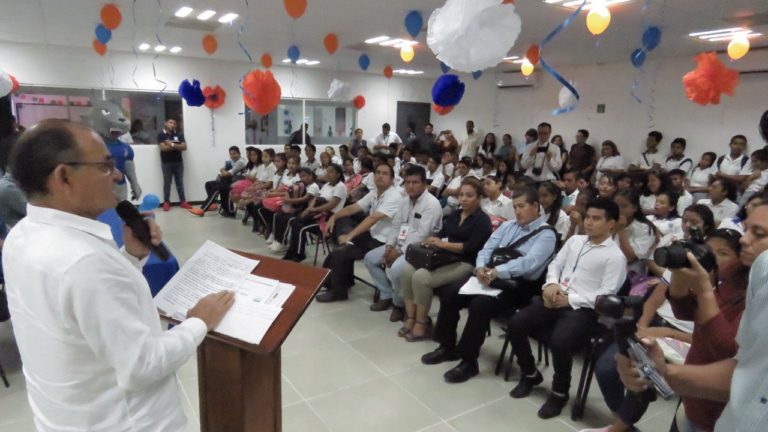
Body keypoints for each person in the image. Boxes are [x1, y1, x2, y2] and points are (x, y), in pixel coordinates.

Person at [4, 119, 235, 431]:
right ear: (63, 177)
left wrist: (131, 256)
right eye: (104, 166)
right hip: (122, 421)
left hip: (69, 415)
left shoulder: (21, 236)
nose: (116, 175)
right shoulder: (84, 262)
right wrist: (198, 321)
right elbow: (142, 364)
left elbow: (81, 313)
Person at [616, 204, 768, 432]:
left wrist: (705, 291)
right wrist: (679, 274)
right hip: (693, 392)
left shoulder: (759, 286)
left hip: (725, 409)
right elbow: (687, 312)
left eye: (759, 234)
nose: (744, 240)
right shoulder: (737, 269)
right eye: (746, 230)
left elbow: (732, 353)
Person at [588, 228, 747, 432]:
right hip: (666, 340)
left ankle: (619, 427)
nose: (713, 258)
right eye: (708, 250)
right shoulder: (706, 276)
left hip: (687, 346)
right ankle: (622, 419)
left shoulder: (744, 291)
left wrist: (669, 335)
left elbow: (723, 346)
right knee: (609, 367)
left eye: (723, 253)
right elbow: (677, 308)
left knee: (644, 375)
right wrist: (643, 327)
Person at [507, 197, 627, 419]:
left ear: (611, 223)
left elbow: (605, 295)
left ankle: (559, 392)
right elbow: (555, 264)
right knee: (515, 324)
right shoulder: (575, 241)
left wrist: (571, 299)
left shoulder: (615, 257)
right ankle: (530, 373)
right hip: (556, 297)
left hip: (584, 309)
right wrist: (551, 283)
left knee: (560, 342)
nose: (589, 222)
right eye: (588, 217)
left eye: (596, 219)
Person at [422, 187, 558, 382]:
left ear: (535, 206)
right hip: (490, 276)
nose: (517, 211)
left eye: (521, 206)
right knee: (451, 292)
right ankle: (448, 346)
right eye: (515, 207)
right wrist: (479, 268)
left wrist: (496, 272)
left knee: (480, 305)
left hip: (518, 287)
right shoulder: (508, 226)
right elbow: (487, 248)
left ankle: (469, 362)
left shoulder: (546, 234)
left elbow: (529, 264)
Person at [399, 179, 492, 341]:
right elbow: (443, 233)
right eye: (461, 194)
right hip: (444, 257)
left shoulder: (482, 220)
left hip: (465, 262)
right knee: (407, 270)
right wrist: (433, 239)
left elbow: (471, 248)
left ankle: (422, 323)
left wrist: (443, 244)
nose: (463, 199)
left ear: (478, 198)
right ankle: (411, 317)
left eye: (469, 195)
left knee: (421, 277)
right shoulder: (456, 214)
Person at [363, 165, 442, 321]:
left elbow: (422, 235)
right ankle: (387, 294)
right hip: (399, 245)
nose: (410, 186)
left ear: (424, 183)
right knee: (370, 259)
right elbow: (396, 226)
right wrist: (389, 247)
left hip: (422, 249)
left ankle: (399, 304)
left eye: (415, 182)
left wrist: (398, 252)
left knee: (397, 269)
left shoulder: (431, 204)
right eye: (407, 182)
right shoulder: (405, 201)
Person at [317, 164, 401, 302]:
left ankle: (338, 291)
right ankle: (340, 281)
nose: (380, 176)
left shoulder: (394, 196)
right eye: (377, 172)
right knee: (342, 227)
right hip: (372, 236)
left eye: (385, 173)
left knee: (341, 251)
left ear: (392, 179)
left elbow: (373, 218)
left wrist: (350, 236)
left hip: (384, 242)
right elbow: (353, 208)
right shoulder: (375, 193)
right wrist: (333, 216)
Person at [281, 163, 347, 262]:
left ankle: (299, 254)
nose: (328, 174)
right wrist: (308, 210)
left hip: (329, 219)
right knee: (295, 221)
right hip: (318, 213)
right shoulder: (327, 185)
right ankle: (291, 251)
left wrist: (312, 210)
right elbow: (316, 199)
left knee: (300, 226)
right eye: (327, 171)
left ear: (338, 174)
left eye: (331, 172)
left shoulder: (340, 187)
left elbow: (331, 205)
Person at [189, 146, 247, 217]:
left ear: (239, 153)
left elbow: (227, 173)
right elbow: (222, 169)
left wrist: (224, 172)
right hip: (227, 181)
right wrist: (224, 172)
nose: (232, 156)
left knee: (216, 189)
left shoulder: (241, 162)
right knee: (208, 184)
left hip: (234, 183)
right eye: (231, 154)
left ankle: (202, 210)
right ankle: (212, 204)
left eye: (234, 154)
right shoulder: (231, 160)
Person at [613, 189, 659, 275]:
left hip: (630, 272)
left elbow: (630, 257)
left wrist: (621, 230)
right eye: (616, 206)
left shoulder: (644, 228)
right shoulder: (609, 221)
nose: (618, 210)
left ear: (634, 207)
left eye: (623, 206)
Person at [157, 118, 190, 211]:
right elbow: (163, 148)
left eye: (175, 123)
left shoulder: (179, 134)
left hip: (178, 162)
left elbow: (184, 147)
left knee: (180, 182)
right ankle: (166, 202)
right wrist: (177, 146)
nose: (173, 124)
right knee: (167, 183)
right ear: (166, 123)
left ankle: (183, 202)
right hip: (166, 163)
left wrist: (171, 144)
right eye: (171, 122)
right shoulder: (161, 134)